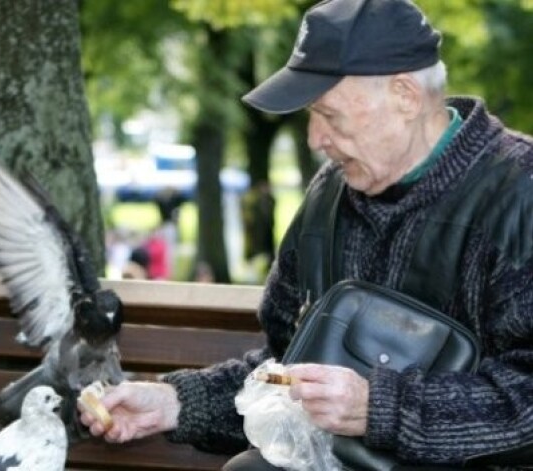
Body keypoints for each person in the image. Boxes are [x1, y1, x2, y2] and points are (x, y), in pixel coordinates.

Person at [79, 0, 533, 468]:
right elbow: (285, 374)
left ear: (405, 97)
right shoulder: (329, 194)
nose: (315, 138)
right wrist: (175, 402)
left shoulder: (522, 192)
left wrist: (381, 407)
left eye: (330, 115)